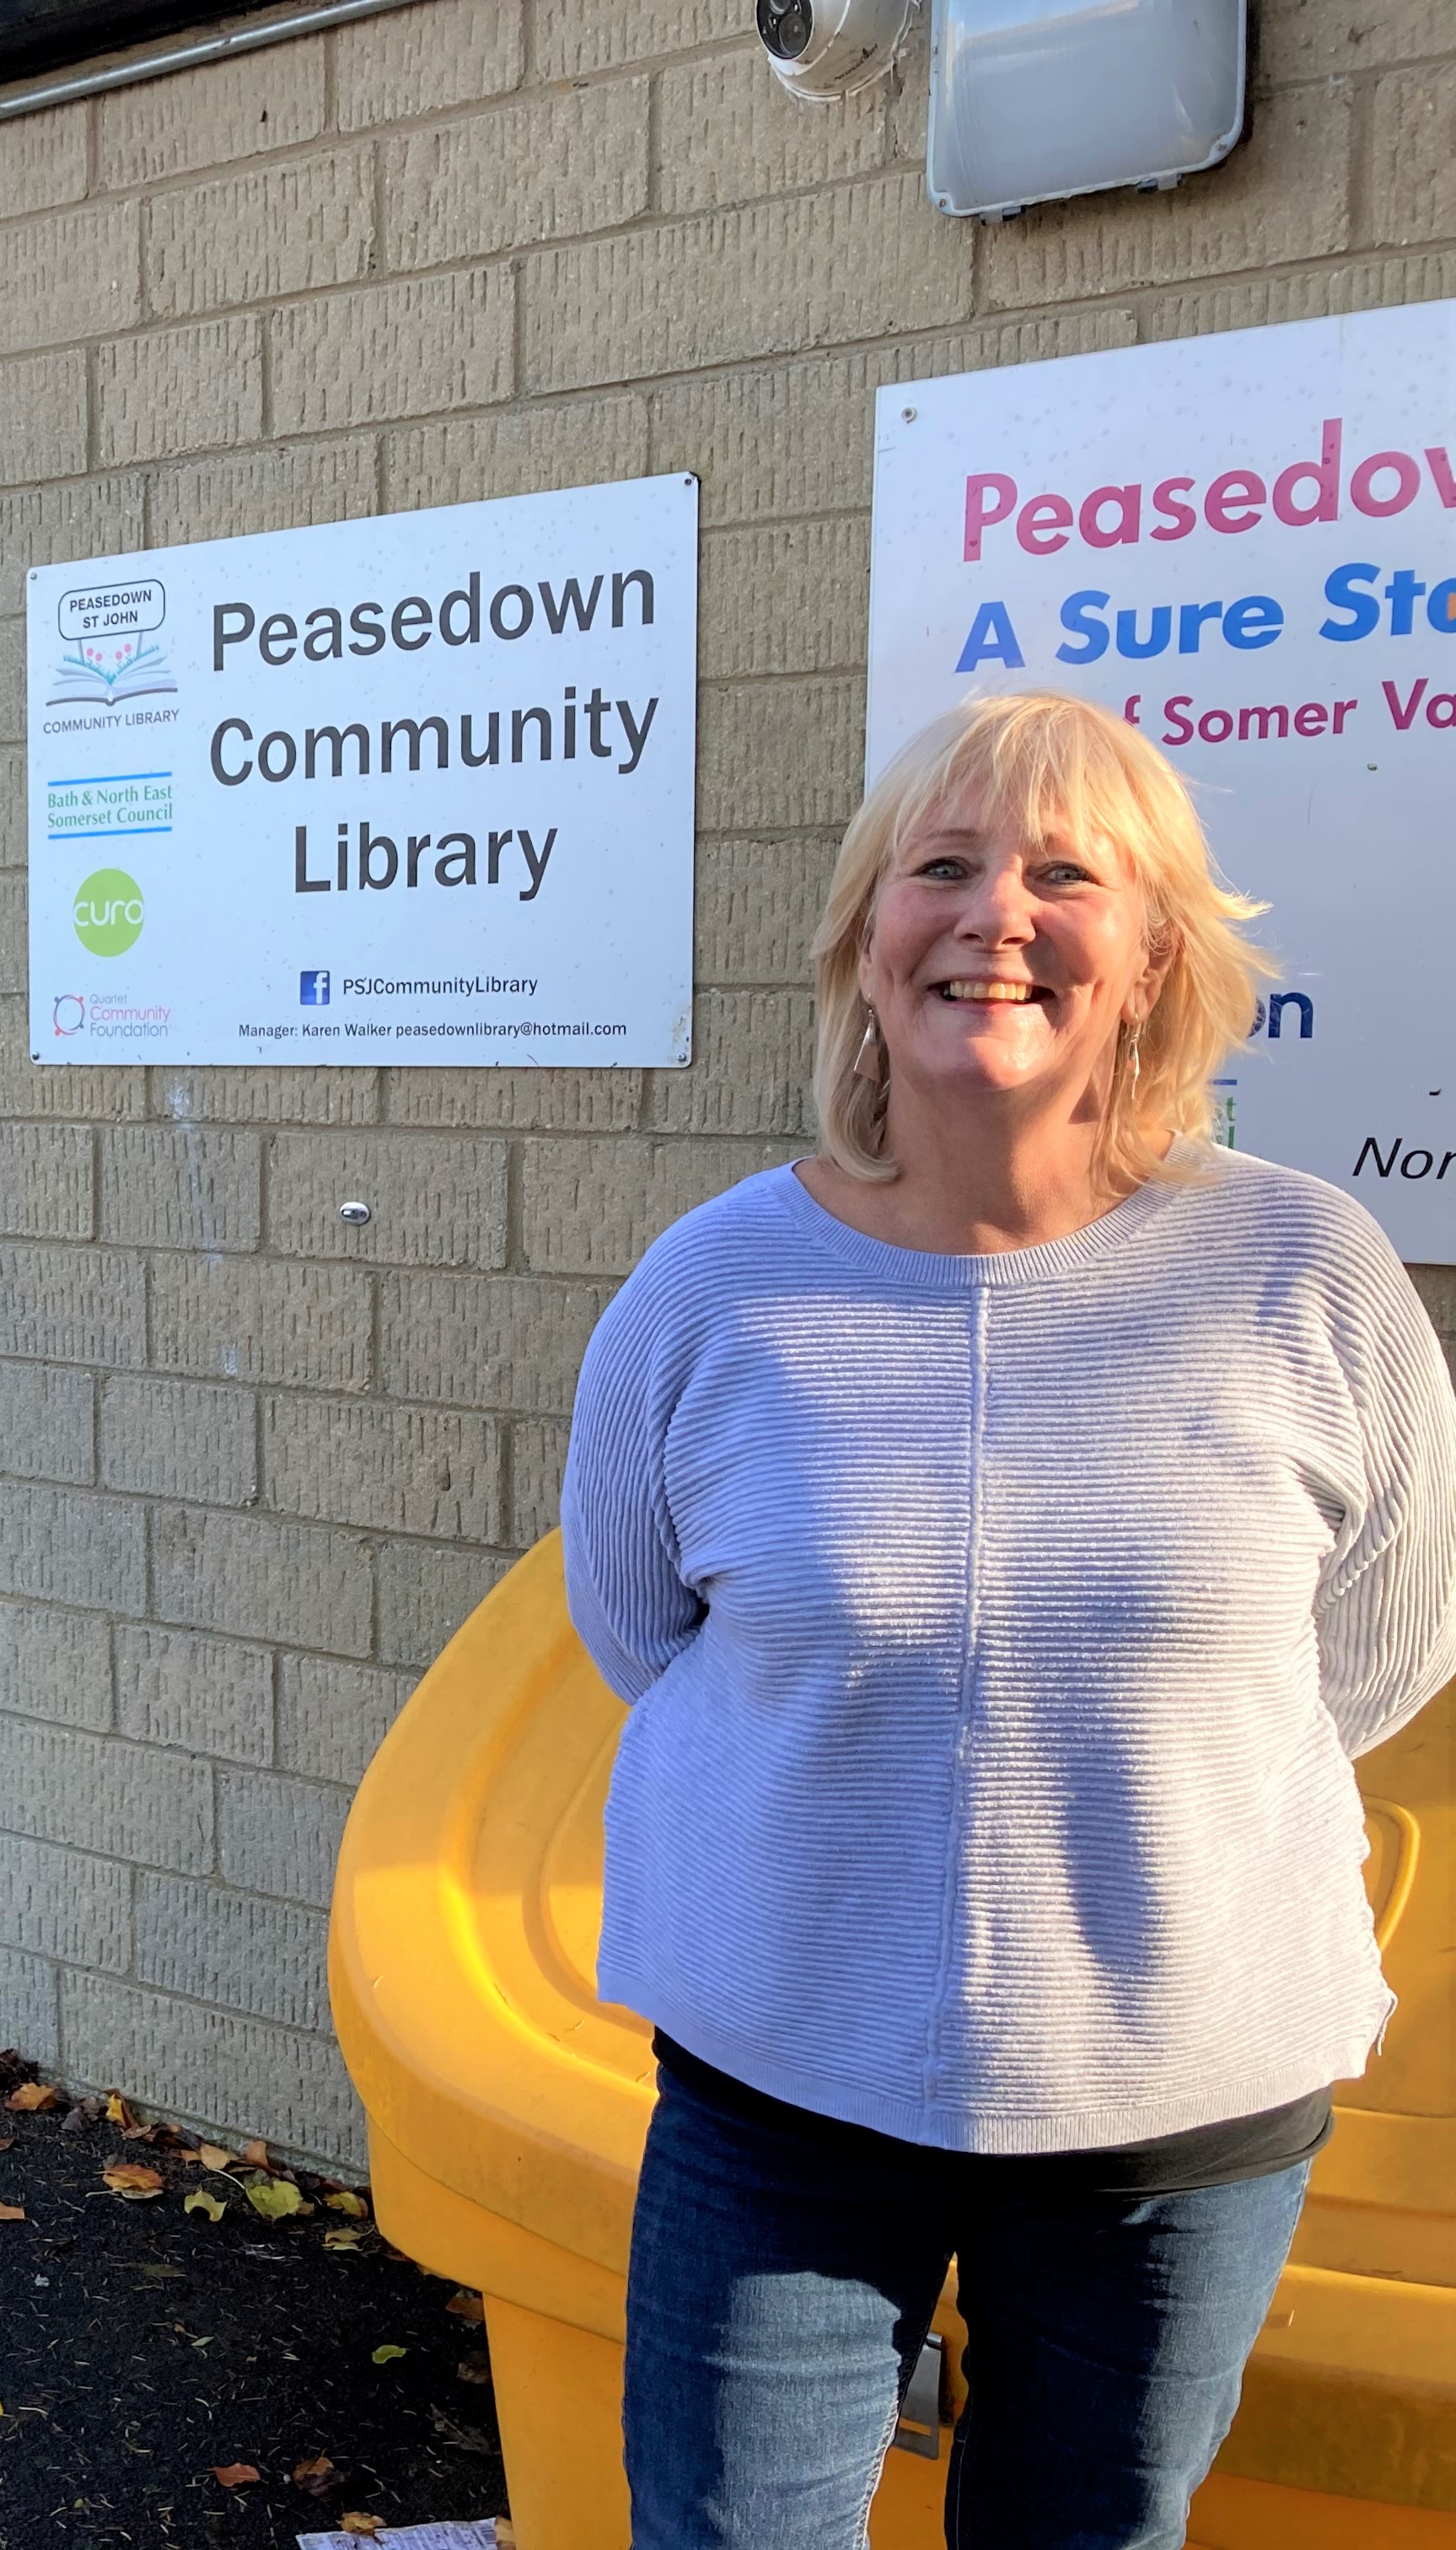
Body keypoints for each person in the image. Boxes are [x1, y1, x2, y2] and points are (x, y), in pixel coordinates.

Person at [559, 689, 1456, 2548]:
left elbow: (1378, 1646)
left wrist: (1132, 1783)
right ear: (863, 945)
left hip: (1176, 2113)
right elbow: (639, 1630)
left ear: (1152, 964)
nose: (997, 917)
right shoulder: (709, 1290)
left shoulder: (1309, 1273)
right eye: (940, 868)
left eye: (1067, 874)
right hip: (782, 2086)